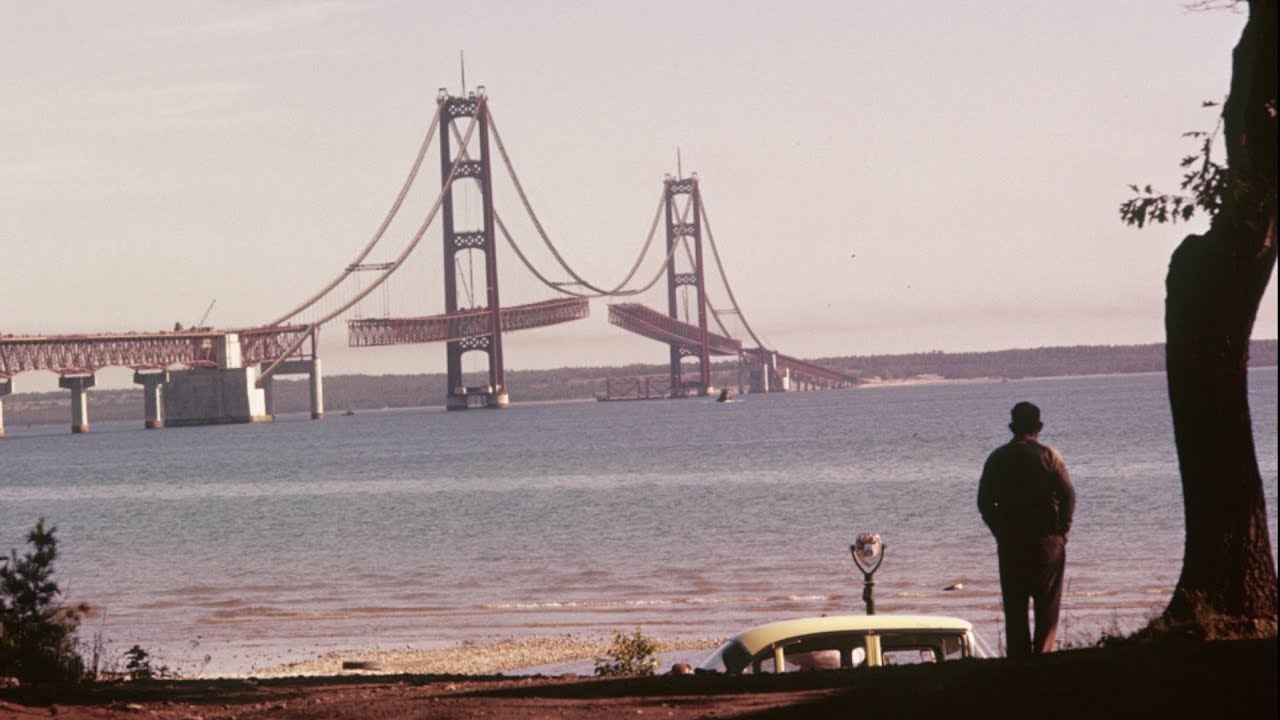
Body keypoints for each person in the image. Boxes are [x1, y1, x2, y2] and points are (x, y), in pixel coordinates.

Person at [977, 401, 1075, 658]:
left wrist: (999, 530)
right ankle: (1043, 659)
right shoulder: (1050, 457)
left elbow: (984, 502)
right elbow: (1068, 495)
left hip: (1011, 542)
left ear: (1011, 427)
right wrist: (1063, 531)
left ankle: (1018, 662)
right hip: (1046, 542)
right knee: (1047, 608)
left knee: (1015, 608)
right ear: (1039, 427)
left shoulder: (997, 458)